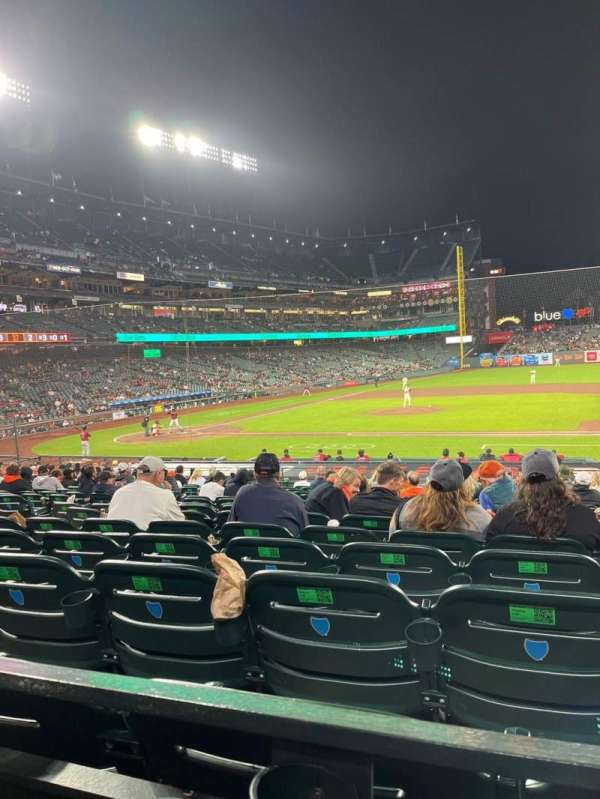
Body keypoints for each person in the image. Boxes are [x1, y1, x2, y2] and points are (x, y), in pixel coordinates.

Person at [485, 450, 600, 552]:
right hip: (574, 575)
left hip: (517, 576)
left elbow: (489, 549)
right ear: (558, 478)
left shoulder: (504, 516)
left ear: (523, 481)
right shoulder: (584, 516)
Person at [391, 459, 491, 540]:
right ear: (463, 487)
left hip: (416, 564)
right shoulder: (481, 519)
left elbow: (393, 543)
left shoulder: (403, 512)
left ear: (429, 484)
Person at [228, 453, 308, 537]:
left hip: (247, 549)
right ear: (278, 474)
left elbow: (230, 529)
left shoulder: (242, 494)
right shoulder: (295, 501)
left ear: (255, 474)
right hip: (286, 549)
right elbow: (306, 537)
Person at [107, 456, 185, 530]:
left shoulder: (119, 492)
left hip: (116, 542)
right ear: (159, 474)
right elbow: (181, 525)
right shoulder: (166, 495)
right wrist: (167, 492)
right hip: (146, 543)